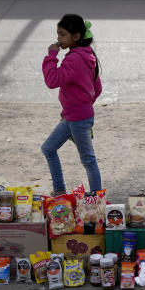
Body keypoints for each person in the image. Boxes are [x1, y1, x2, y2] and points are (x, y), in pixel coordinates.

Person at [41, 14, 103, 195]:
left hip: (78, 118)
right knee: (48, 148)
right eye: (58, 34)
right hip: (73, 115)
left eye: (62, 34)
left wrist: (51, 56)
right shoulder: (87, 55)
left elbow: (52, 80)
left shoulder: (74, 59)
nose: (58, 39)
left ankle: (96, 198)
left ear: (76, 37)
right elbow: (96, 86)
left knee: (88, 160)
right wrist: (79, 104)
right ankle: (59, 191)